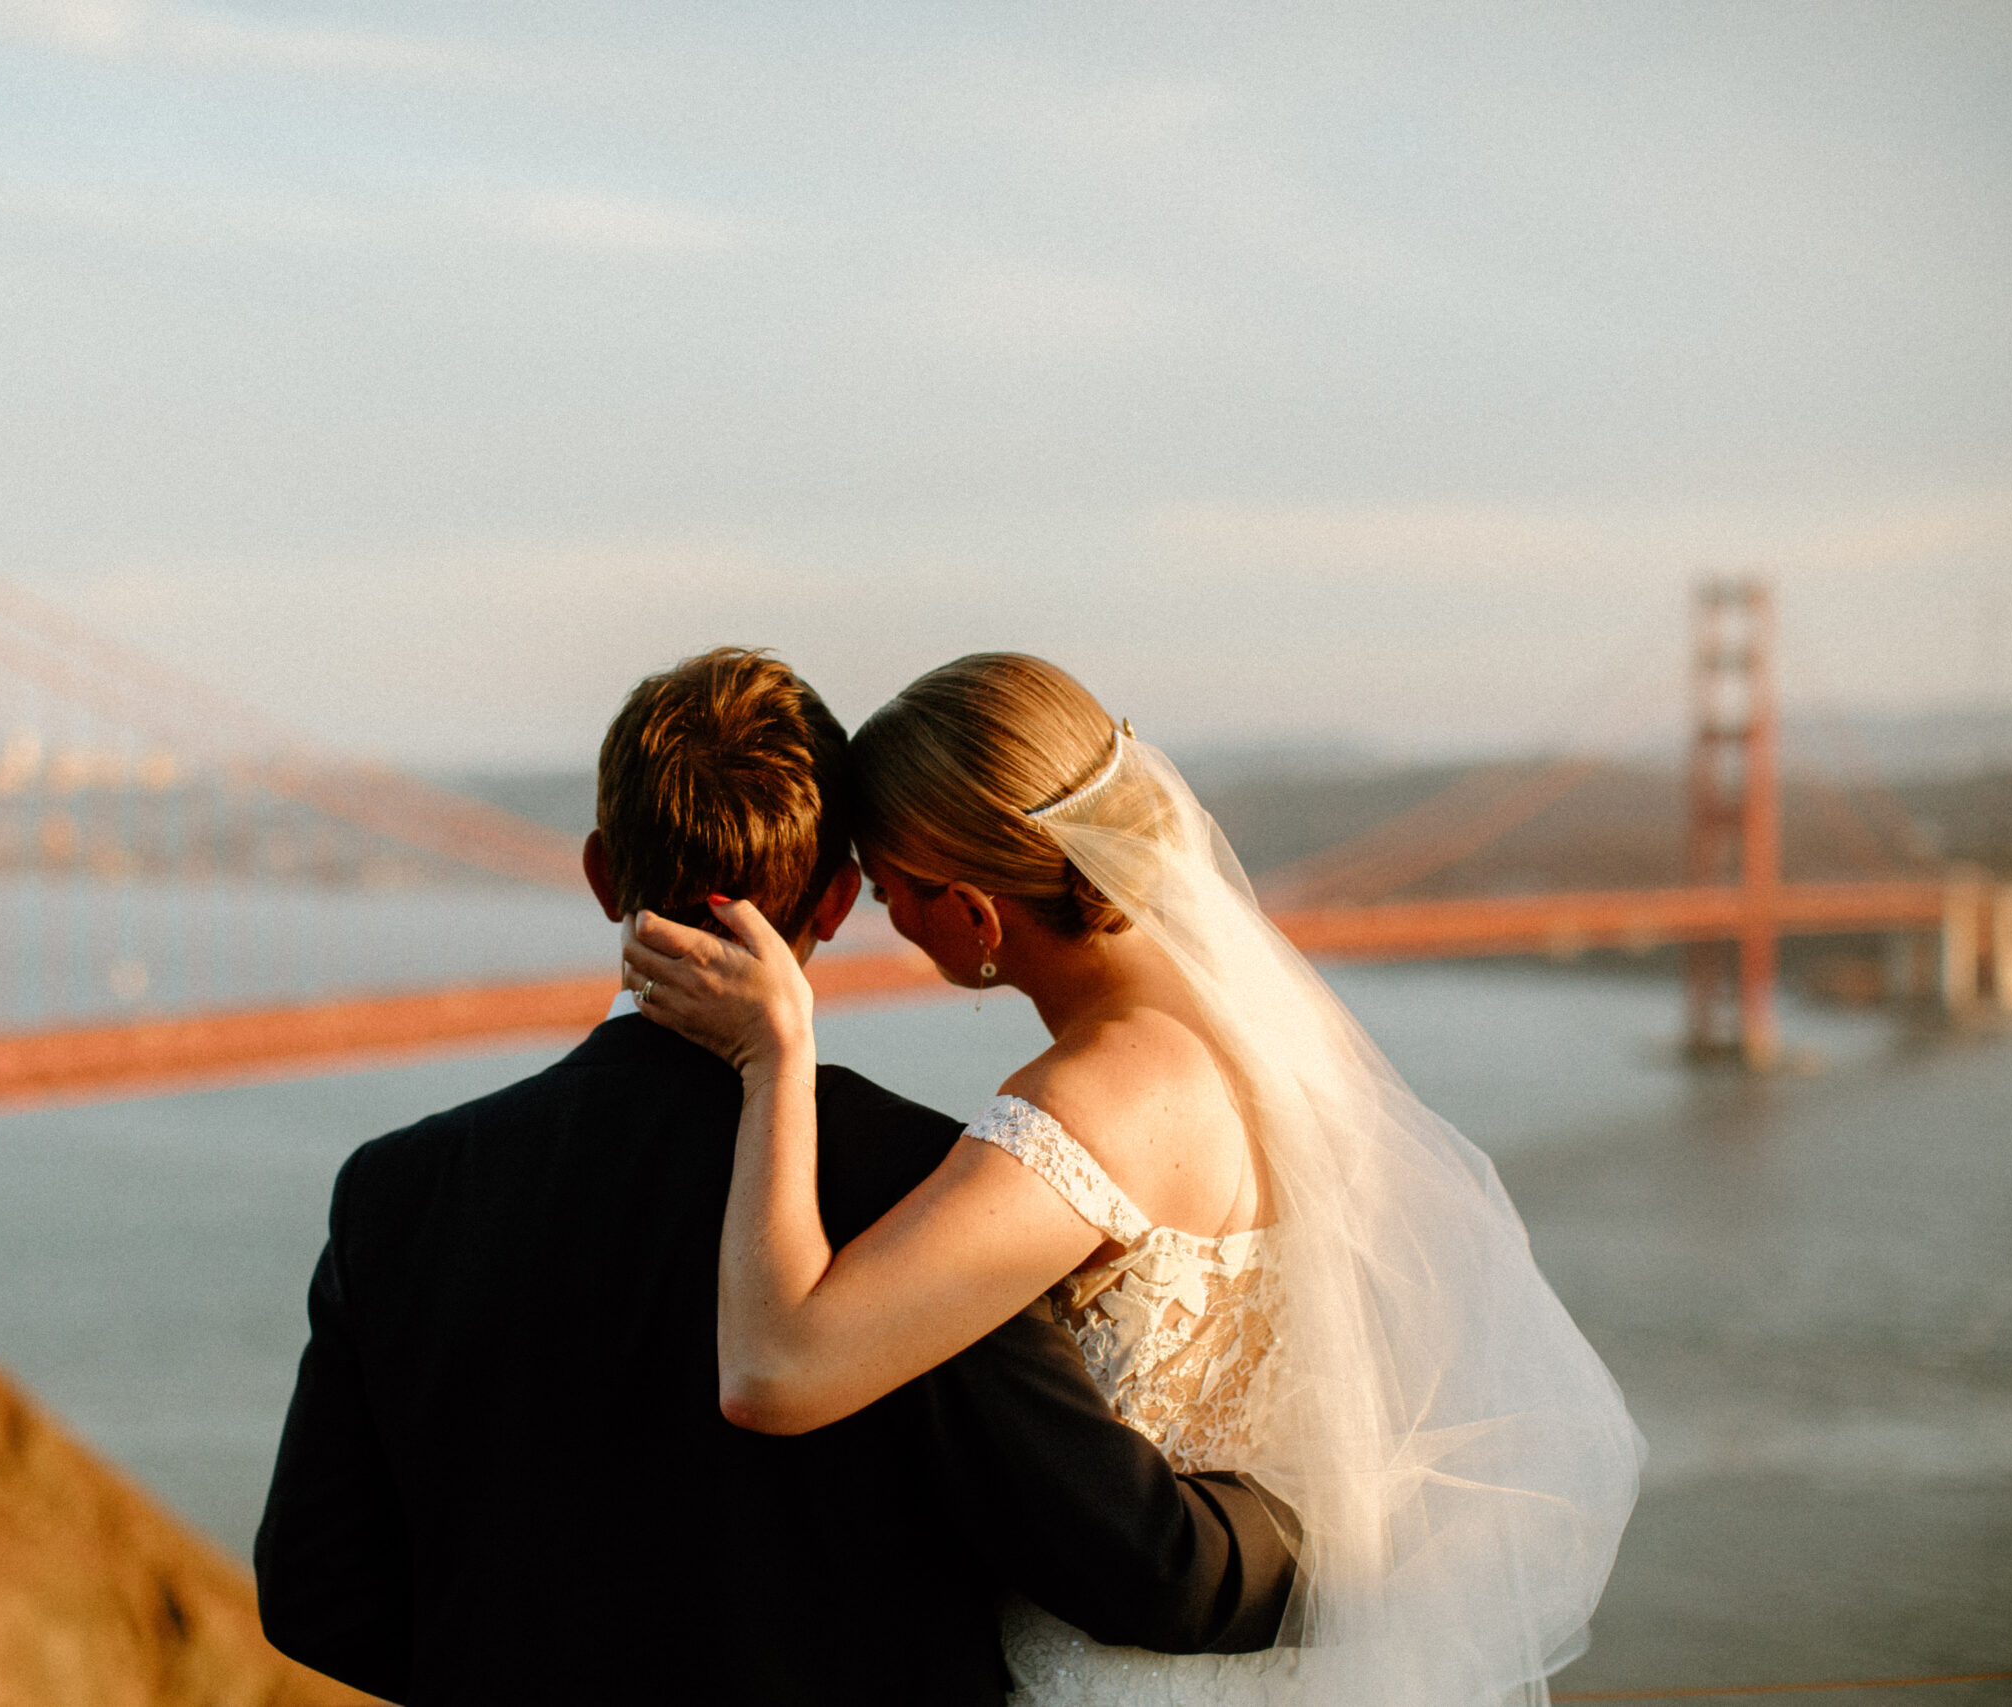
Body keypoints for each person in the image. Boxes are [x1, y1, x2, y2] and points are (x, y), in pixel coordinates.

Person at [253, 648, 1301, 1707]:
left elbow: (314, 1592)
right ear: (840, 898)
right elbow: (1108, 1548)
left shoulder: (396, 1192)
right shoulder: (927, 1186)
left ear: (602, 874)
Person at [622, 653, 1644, 1707]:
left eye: (887, 890)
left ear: (975, 916)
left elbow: (775, 1374)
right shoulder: (1278, 1050)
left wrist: (774, 1057)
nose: (882, 918)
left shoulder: (1089, 1104)